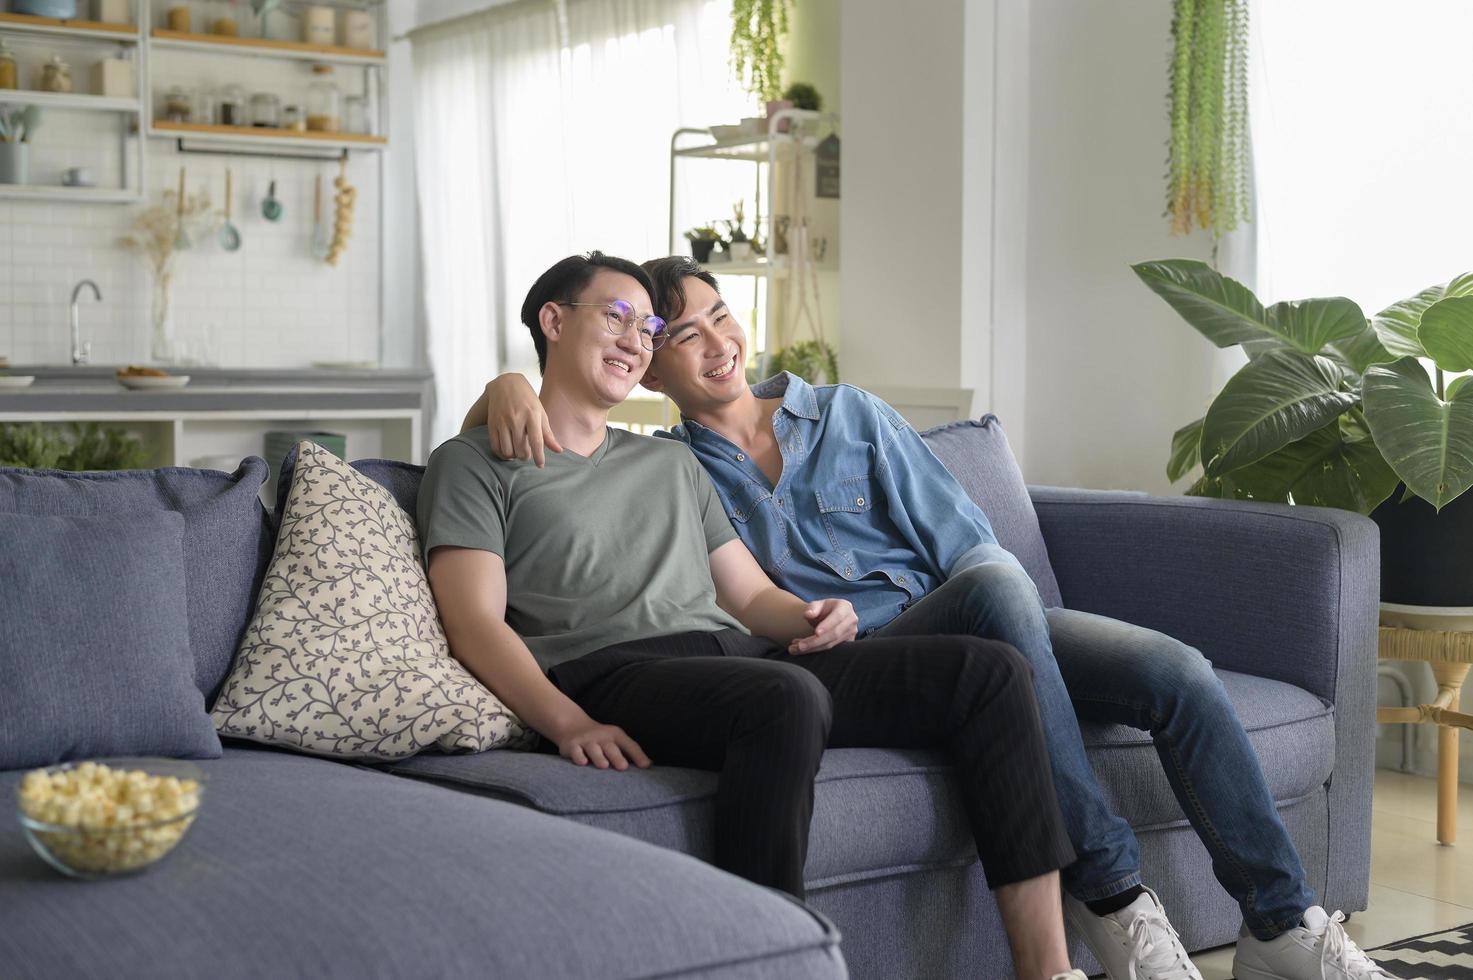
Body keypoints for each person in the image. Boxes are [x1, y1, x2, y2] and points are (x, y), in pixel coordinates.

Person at [464, 256, 1398, 980]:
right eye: (683, 337)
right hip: (870, 652)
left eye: (722, 318)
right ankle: (1111, 895)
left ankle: (1284, 927)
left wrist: (1006, 621)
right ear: (654, 373)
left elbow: (974, 549)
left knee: (1176, 673)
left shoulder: (848, 416)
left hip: (982, 612)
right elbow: (555, 429)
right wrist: (503, 384)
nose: (717, 345)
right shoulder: (668, 464)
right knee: (994, 611)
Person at [421, 251, 1092, 980]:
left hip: (731, 658)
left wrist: (813, 615)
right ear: (553, 321)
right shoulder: (473, 463)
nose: (633, 340)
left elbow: (746, 597)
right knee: (786, 697)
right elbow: (474, 623)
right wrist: (564, 722)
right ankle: (769, 966)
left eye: (646, 328)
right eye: (614, 317)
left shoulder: (668, 464)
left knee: (987, 672)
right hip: (608, 674)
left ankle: (1047, 970)